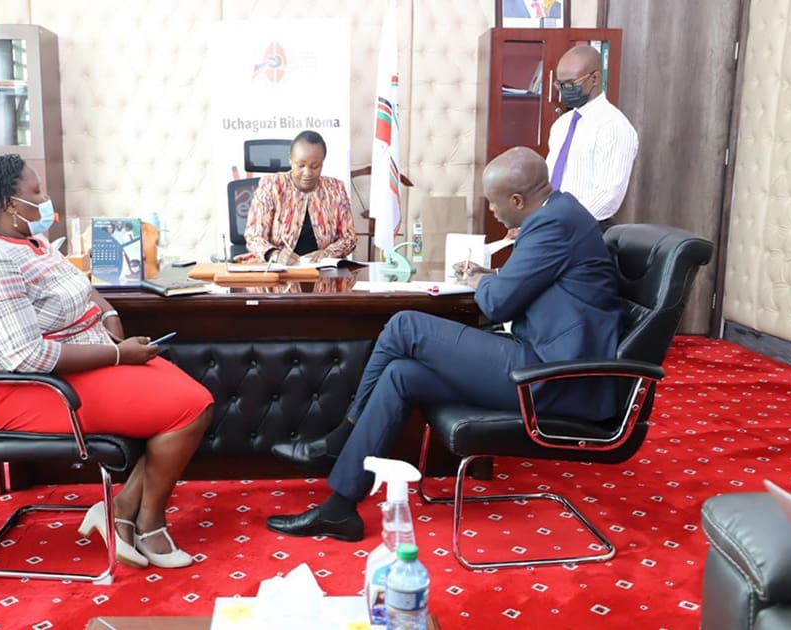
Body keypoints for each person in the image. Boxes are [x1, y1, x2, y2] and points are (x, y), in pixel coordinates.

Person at [265, 146, 625, 541]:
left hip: (555, 377)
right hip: (543, 361)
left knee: (405, 326)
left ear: (519, 200)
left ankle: (340, 437)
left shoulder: (552, 223)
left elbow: (497, 302)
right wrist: (489, 276)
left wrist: (484, 283)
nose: (494, 212)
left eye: (495, 203)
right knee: (403, 374)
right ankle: (339, 509)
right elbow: (529, 287)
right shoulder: (560, 213)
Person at [0, 154, 214, 569]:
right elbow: (28, 357)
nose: (46, 198)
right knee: (191, 408)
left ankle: (121, 512)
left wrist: (110, 318)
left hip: (82, 365)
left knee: (189, 400)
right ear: (9, 205)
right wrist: (119, 355)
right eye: (37, 192)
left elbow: (81, 288)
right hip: (34, 392)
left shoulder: (25, 242)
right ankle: (146, 520)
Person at [547, 45, 638, 232]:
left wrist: (559, 221)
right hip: (553, 224)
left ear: (595, 78)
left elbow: (607, 196)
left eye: (571, 84)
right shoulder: (562, 124)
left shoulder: (613, 126)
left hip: (586, 229)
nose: (564, 91)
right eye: (560, 85)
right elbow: (549, 179)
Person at [243, 130, 357, 263]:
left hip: (323, 272)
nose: (307, 172)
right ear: (290, 160)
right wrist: (275, 254)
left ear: (322, 162)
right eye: (301, 165)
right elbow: (253, 236)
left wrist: (327, 253)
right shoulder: (271, 186)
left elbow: (349, 238)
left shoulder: (335, 189)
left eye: (315, 166)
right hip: (279, 273)